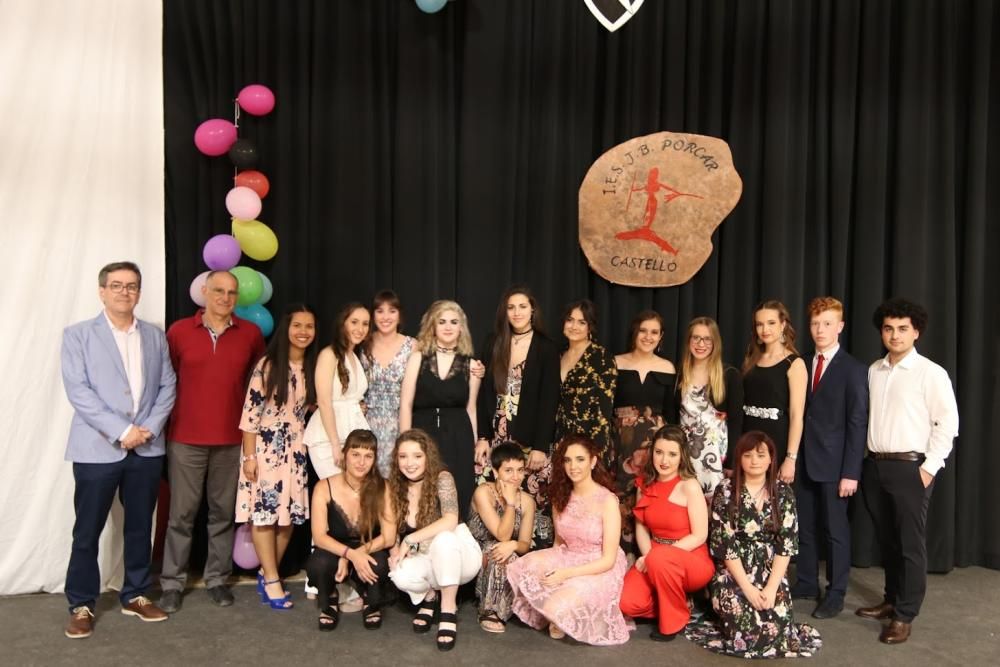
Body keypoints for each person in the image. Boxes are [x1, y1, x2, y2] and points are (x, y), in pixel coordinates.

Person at [61, 262, 176, 639]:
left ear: (139, 293)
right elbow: (79, 391)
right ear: (102, 291)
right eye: (116, 286)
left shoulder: (155, 337)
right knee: (87, 530)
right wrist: (122, 430)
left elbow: (167, 387)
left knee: (141, 527)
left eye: (131, 286)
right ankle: (81, 603)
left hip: (146, 449)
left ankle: (137, 594)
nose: (124, 292)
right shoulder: (77, 335)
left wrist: (147, 431)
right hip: (97, 449)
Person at [158, 270, 265, 613]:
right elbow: (164, 382)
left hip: (232, 441)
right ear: (204, 291)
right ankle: (172, 583)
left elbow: (259, 385)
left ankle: (217, 579)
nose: (225, 297)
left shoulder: (250, 335)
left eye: (232, 292)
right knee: (182, 515)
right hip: (185, 439)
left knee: (221, 514)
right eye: (218, 290)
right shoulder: (178, 332)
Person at [856, 298, 958, 645]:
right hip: (875, 466)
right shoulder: (874, 370)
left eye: (902, 329)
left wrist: (928, 470)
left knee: (910, 544)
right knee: (888, 540)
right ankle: (891, 600)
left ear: (916, 332)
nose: (895, 335)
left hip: (911, 468)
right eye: (888, 328)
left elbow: (947, 425)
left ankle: (905, 614)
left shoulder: (931, 373)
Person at [687, 431, 821, 658]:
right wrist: (747, 588)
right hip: (734, 568)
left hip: (770, 568)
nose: (754, 461)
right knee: (746, 634)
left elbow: (786, 545)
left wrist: (770, 587)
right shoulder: (726, 491)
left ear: (771, 459)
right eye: (748, 456)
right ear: (739, 459)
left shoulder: (784, 493)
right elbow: (725, 544)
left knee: (777, 632)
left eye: (761, 455)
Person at [506, 435, 630, 646]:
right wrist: (551, 567)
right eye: (567, 460)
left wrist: (564, 575)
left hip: (599, 564)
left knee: (555, 608)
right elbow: (559, 542)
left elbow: (608, 560)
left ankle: (572, 606)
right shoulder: (560, 496)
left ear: (592, 461)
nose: (573, 466)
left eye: (580, 459)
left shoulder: (607, 500)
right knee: (523, 567)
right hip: (568, 555)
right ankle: (560, 602)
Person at [235, 304, 318, 610]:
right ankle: (272, 579)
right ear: (287, 329)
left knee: (289, 519)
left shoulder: (310, 366)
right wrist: (249, 457)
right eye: (298, 325)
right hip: (267, 450)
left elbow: (306, 406)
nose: (303, 332)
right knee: (265, 515)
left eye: (309, 327)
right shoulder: (269, 365)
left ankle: (266, 572)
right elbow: (250, 416)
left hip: (296, 451)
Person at [791, 297, 868, 619]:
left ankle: (836, 592)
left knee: (835, 531)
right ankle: (807, 582)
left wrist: (851, 472)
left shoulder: (853, 370)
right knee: (804, 528)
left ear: (840, 326)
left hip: (836, 467)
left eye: (827, 323)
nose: (820, 330)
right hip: (804, 461)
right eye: (815, 323)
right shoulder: (801, 362)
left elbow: (857, 422)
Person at [476, 286, 560, 542]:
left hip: (530, 439)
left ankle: (529, 550)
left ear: (532, 310)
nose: (517, 312)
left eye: (522, 306)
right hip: (497, 434)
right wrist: (482, 436)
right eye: (511, 307)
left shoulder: (546, 347)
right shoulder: (494, 342)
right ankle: (496, 549)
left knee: (532, 498)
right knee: (496, 493)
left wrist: (540, 446)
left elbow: (549, 399)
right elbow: (484, 393)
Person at [388, 429, 482, 651]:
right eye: (403, 456)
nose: (410, 463)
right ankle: (430, 596)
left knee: (444, 540)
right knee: (399, 575)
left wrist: (409, 539)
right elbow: (391, 527)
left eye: (417, 456)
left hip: (461, 556)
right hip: (427, 555)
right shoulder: (395, 486)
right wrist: (394, 550)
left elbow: (450, 520)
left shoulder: (442, 478)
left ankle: (448, 609)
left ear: (427, 457)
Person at [619, 425, 713, 641]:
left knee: (661, 557)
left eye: (672, 454)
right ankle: (675, 602)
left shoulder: (689, 485)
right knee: (627, 602)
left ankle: (673, 622)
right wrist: (648, 555)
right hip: (655, 554)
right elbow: (641, 528)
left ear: (682, 456)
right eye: (659, 452)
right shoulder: (645, 484)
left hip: (691, 559)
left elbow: (699, 535)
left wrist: (656, 557)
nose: (664, 460)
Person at [305, 429, 396, 631]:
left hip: (368, 546)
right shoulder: (324, 487)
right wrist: (347, 554)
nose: (361, 462)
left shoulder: (383, 486)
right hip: (335, 547)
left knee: (379, 565)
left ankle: (368, 599)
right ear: (345, 454)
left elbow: (389, 537)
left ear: (374, 460)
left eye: (368, 456)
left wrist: (355, 555)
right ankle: (330, 597)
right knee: (318, 564)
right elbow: (319, 537)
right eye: (355, 454)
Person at [400, 300, 482, 514]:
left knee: (459, 489)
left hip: (458, 436)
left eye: (454, 322)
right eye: (442, 321)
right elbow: (406, 404)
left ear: (461, 328)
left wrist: (472, 445)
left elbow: (471, 408)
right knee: (425, 489)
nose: (448, 327)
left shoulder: (471, 364)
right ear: (433, 326)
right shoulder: (418, 358)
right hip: (423, 433)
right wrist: (405, 441)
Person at [613, 310, 678, 551]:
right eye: (643, 331)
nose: (648, 337)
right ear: (634, 333)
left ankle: (650, 556)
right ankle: (621, 557)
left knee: (650, 496)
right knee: (619, 496)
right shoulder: (616, 362)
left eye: (654, 332)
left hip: (654, 446)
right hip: (620, 444)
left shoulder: (668, 367)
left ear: (661, 337)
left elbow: (671, 416)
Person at [467, 442, 536, 633]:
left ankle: (505, 608)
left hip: (506, 553)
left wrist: (513, 545)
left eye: (520, 470)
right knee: (497, 551)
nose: (516, 477)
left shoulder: (528, 502)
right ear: (496, 473)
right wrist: (511, 503)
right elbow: (501, 534)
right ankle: (489, 610)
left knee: (509, 555)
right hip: (475, 552)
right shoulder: (483, 493)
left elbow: (524, 545)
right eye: (508, 470)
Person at [741, 300, 808, 484]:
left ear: (783, 324)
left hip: (776, 442)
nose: (765, 329)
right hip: (747, 441)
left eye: (771, 323)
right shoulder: (751, 360)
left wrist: (790, 459)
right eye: (759, 324)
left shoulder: (794, 363)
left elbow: (796, 416)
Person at [675, 316, 743, 498]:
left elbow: (737, 422)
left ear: (715, 343)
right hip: (684, 455)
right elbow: (672, 418)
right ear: (689, 341)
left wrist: (731, 463)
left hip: (716, 458)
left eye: (707, 339)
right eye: (696, 337)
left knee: (714, 508)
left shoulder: (729, 375)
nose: (700, 344)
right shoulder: (679, 374)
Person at [303, 303, 371, 480]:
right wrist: (335, 444)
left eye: (365, 323)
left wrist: (357, 407)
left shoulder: (354, 356)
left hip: (354, 434)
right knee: (338, 493)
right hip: (328, 438)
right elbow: (324, 402)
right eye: (354, 322)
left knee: (356, 496)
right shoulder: (329, 354)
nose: (360, 328)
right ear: (343, 324)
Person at [554, 300, 617, 472]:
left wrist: (594, 453)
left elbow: (604, 410)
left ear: (590, 327)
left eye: (582, 322)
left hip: (589, 442)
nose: (574, 326)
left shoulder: (602, 358)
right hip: (561, 439)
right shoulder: (559, 355)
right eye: (570, 320)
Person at [361, 290, 415, 478]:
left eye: (392, 311)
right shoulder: (362, 343)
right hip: (365, 426)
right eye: (379, 311)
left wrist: (473, 366)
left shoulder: (413, 346)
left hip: (400, 424)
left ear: (399, 315)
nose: (385, 317)